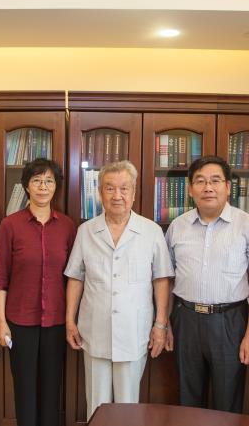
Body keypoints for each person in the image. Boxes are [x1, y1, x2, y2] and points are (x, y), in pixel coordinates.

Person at [64, 160, 174, 419]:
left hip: (133, 332)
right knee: (96, 406)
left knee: (128, 407)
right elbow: (76, 278)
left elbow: (161, 280)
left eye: (124, 188)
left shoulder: (151, 231)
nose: (117, 195)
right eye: (110, 188)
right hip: (95, 331)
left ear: (134, 192)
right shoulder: (86, 231)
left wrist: (161, 324)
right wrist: (70, 321)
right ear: (100, 192)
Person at [164, 155, 249, 413]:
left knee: (227, 402)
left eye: (215, 181)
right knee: (188, 401)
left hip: (230, 322)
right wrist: (165, 323)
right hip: (186, 319)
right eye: (200, 181)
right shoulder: (177, 226)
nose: (208, 188)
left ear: (228, 187)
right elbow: (168, 280)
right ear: (190, 189)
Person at [0, 158, 76, 426]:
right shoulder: (10, 225)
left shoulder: (67, 226)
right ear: (26, 186)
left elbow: (74, 276)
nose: (43, 186)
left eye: (49, 181)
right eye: (37, 180)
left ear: (56, 187)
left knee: (52, 389)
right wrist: (1, 321)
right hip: (19, 321)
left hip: (56, 321)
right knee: (24, 387)